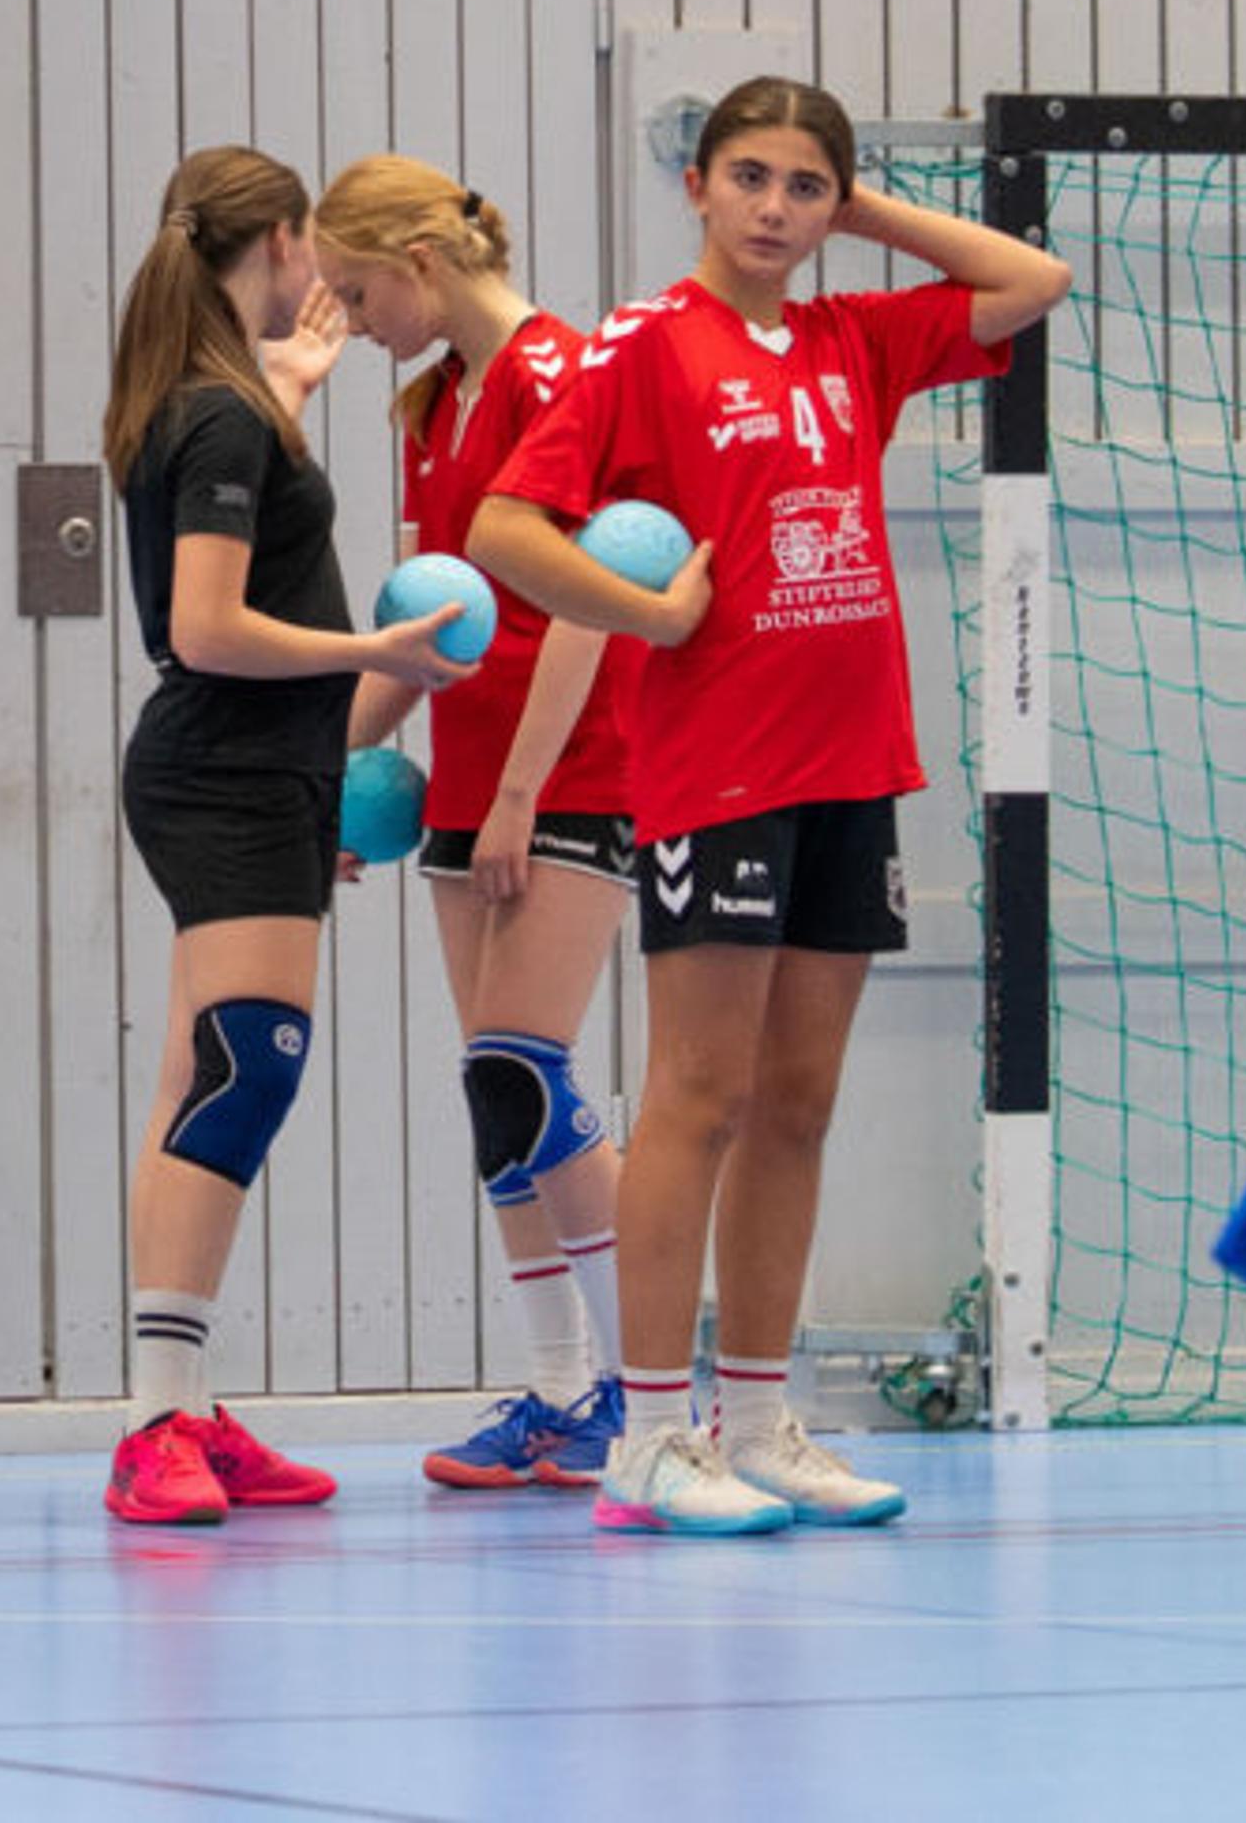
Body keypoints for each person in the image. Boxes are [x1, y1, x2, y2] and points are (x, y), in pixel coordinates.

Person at [472, 76, 1073, 1535]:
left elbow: (1030, 277)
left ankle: (757, 1417)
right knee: (698, 1096)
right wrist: (645, 613)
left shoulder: (849, 339)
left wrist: (860, 208)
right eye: (750, 176)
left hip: (853, 762)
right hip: (716, 771)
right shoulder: (640, 348)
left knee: (797, 1105)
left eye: (805, 187)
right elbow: (504, 525)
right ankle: (652, 1433)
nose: (775, 208)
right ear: (696, 184)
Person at [99, 147, 473, 1527]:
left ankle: (177, 1406)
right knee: (249, 1070)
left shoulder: (216, 401)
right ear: (276, 237)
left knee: (207, 1072)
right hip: (225, 776)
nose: (324, 272)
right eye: (312, 241)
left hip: (264, 777)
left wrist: (293, 388)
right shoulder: (220, 419)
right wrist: (373, 647)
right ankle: (153, 1422)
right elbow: (204, 626)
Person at [313, 155, 639, 1490]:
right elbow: (435, 627)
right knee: (494, 1095)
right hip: (466, 774)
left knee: (527, 1066)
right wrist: (325, 776)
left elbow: (587, 595)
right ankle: (561, 1387)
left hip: (571, 769)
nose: (353, 315)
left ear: (424, 265)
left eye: (358, 288)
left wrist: (516, 794)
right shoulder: (431, 403)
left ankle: (657, 1387)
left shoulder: (559, 377)